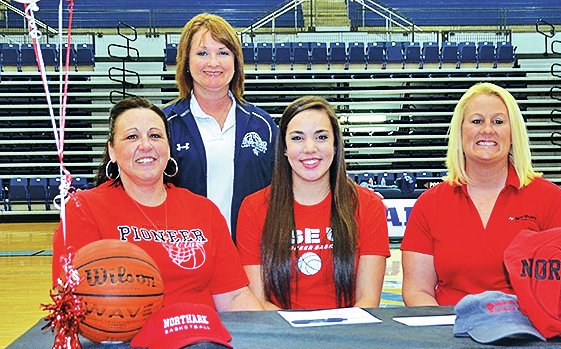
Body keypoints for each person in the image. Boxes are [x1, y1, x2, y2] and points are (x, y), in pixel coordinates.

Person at [52, 96, 262, 312]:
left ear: (169, 148)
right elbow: (70, 298)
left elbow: (234, 296)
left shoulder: (203, 210)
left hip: (201, 337)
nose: (145, 145)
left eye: (155, 135)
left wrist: (275, 336)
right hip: (125, 342)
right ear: (112, 151)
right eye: (132, 137)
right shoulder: (83, 209)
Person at [401, 82, 561, 306]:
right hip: (452, 332)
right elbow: (417, 290)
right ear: (460, 131)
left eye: (498, 121)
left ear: (512, 132)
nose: (487, 129)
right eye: (477, 121)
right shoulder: (430, 204)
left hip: (528, 334)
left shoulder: (549, 198)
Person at [236, 96, 390, 310]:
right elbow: (258, 301)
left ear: (335, 145)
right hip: (282, 336)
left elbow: (368, 300)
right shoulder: (254, 208)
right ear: (284, 148)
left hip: (348, 336)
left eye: (321, 137)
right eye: (297, 138)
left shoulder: (368, 206)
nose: (310, 148)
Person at [164, 13, 277, 237]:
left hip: (249, 258)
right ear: (186, 61)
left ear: (236, 61)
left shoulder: (264, 125)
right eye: (202, 53)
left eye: (223, 53)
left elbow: (279, 196)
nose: (213, 63)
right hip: (185, 256)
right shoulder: (164, 124)